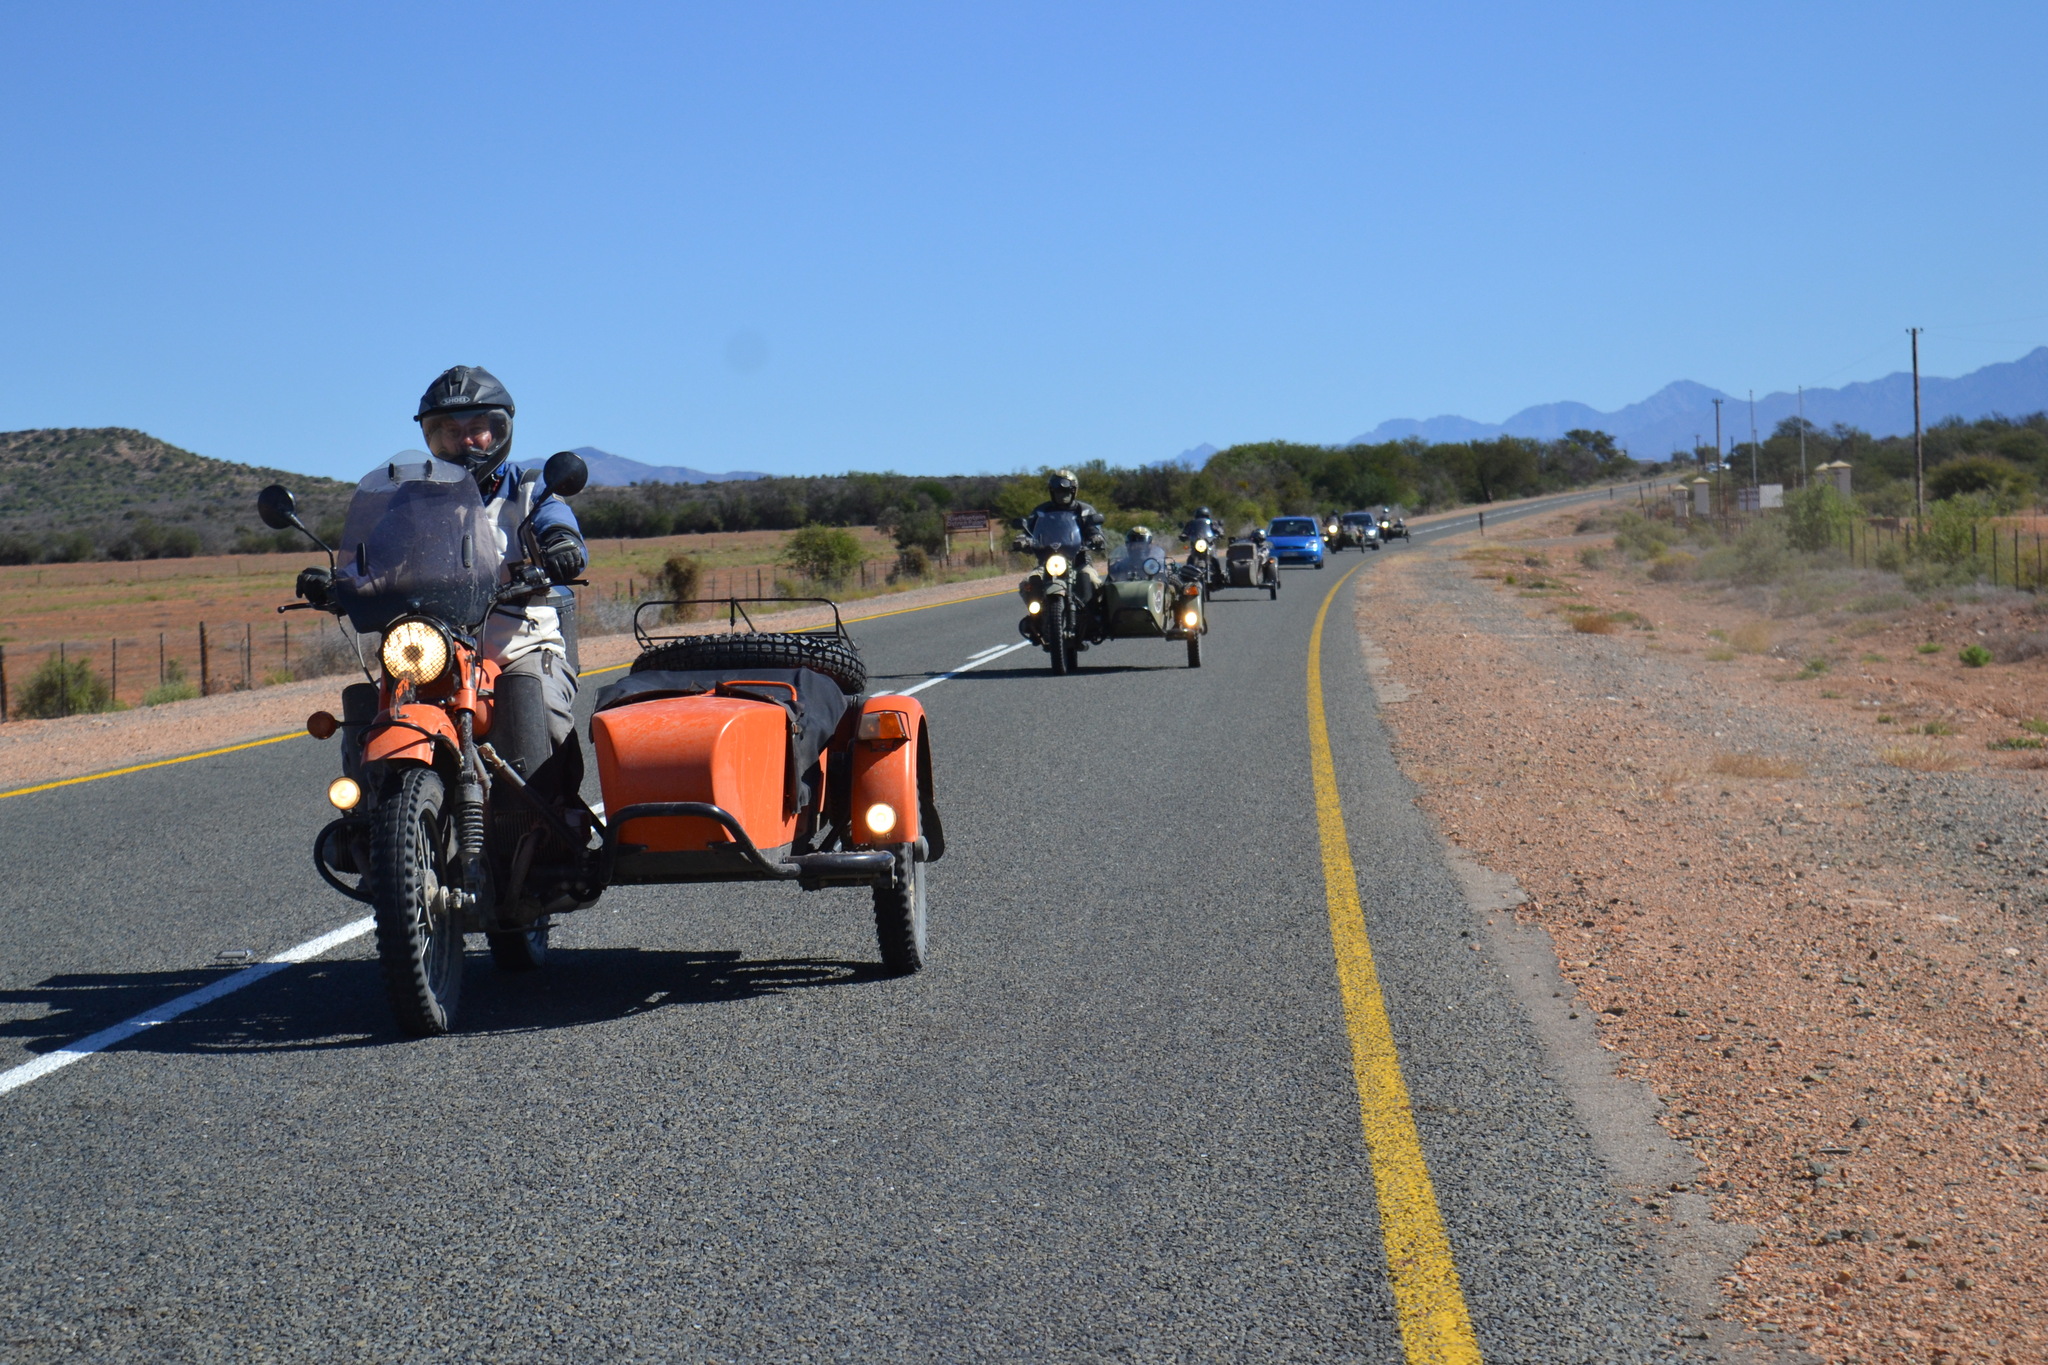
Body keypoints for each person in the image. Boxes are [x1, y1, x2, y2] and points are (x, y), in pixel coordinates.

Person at [299, 365, 589, 787]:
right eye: (448, 431)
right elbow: (379, 562)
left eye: (477, 428)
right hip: (433, 653)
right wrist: (340, 584)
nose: (464, 441)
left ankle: (559, 814)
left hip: (516, 648)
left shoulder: (529, 490)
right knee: (372, 706)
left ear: (500, 430)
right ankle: (367, 822)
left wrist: (562, 547)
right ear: (431, 438)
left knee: (536, 699)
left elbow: (558, 524)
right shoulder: (412, 503)